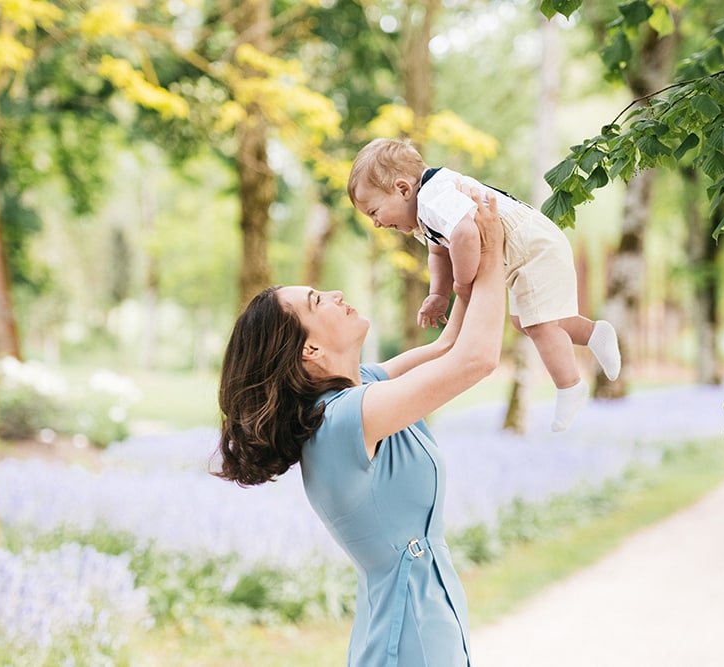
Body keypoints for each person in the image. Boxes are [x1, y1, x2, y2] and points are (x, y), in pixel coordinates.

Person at [215, 189, 506, 667]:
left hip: (425, 624)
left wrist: (466, 256)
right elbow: (477, 359)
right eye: (317, 300)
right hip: (406, 639)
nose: (335, 294)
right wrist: (494, 254)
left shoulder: (363, 389)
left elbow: (452, 343)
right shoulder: (344, 420)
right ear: (308, 351)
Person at [348, 137, 622, 431]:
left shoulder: (433, 198)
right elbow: (439, 250)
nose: (375, 223)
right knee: (525, 322)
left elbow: (465, 234)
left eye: (374, 212)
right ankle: (594, 334)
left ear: (402, 189)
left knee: (541, 325)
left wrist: (463, 285)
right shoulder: (426, 210)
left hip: (531, 246)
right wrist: (437, 293)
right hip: (526, 249)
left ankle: (570, 385)